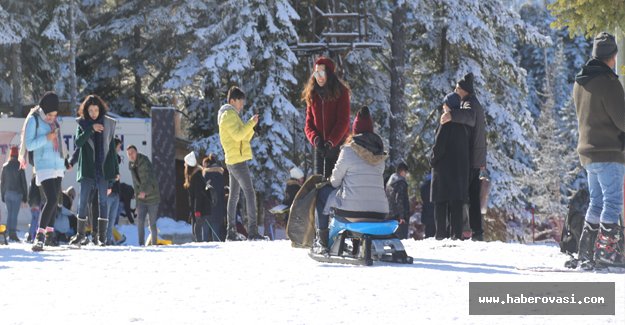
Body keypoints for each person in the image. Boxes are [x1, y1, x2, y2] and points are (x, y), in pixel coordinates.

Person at [573, 32, 625, 269]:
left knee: (596, 202)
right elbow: (622, 119)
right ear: (612, 56)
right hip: (608, 150)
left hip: (587, 152)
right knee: (612, 202)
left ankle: (586, 251)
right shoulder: (609, 82)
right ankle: (606, 251)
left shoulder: (580, 81)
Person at [313, 106, 389, 255]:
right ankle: (355, 244)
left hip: (353, 213)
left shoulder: (347, 150)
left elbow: (335, 181)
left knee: (322, 193)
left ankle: (322, 240)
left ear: (355, 130)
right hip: (379, 213)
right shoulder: (380, 155)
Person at [440, 72, 487, 241]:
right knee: (473, 196)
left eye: (457, 88)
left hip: (471, 158)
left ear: (464, 90)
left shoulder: (470, 104)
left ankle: (457, 231)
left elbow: (469, 117)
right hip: (476, 158)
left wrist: (451, 116)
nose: (455, 91)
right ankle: (477, 232)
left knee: (461, 194)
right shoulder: (474, 103)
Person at [20, 91, 68, 251]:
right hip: (43, 165)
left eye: (54, 115)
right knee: (52, 199)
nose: (51, 118)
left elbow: (60, 143)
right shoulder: (34, 120)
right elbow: (30, 144)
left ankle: (50, 236)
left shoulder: (55, 123)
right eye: (49, 114)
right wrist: (47, 138)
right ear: (43, 110)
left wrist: (65, 160)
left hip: (57, 165)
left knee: (56, 203)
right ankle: (39, 237)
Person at [68, 95, 118, 247]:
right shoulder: (82, 124)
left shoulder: (108, 124)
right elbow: (78, 142)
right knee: (82, 202)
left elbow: (111, 150)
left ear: (100, 109)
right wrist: (91, 128)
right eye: (90, 110)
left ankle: (101, 237)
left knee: (103, 202)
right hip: (87, 170)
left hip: (103, 170)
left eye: (96, 110)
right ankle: (80, 235)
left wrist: (115, 171)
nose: (93, 113)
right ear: (86, 110)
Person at [217, 86, 265, 241]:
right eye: (240, 101)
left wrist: (253, 128)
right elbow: (238, 135)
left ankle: (231, 233)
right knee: (250, 194)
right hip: (237, 161)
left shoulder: (231, 115)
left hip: (234, 159)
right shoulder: (228, 115)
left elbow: (243, 137)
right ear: (232, 101)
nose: (242, 105)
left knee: (234, 196)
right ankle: (252, 232)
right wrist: (250, 123)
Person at [431, 92, 472, 240]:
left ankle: (441, 235)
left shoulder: (445, 123)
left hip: (443, 172)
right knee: (456, 204)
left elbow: (438, 147)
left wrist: (432, 161)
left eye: (444, 104)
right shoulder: (463, 126)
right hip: (459, 172)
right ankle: (456, 234)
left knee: (440, 204)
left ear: (448, 106)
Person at [302, 56, 351, 177]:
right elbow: (308, 124)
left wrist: (331, 142)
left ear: (329, 73)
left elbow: (343, 121)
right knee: (319, 182)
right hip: (320, 147)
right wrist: (316, 140)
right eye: (316, 73)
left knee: (335, 182)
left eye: (321, 72)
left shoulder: (341, 92)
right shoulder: (312, 94)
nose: (319, 76)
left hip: (338, 145)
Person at [126, 145, 160, 246]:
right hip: (141, 199)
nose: (131, 155)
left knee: (152, 223)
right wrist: (137, 204)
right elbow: (136, 186)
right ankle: (141, 245)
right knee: (140, 222)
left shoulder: (144, 162)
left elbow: (149, 179)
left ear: (136, 152)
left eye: (132, 152)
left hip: (152, 197)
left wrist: (145, 191)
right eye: (129, 154)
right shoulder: (131, 165)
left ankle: (154, 245)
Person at [1, 146, 28, 242]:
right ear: (17, 155)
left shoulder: (5, 166)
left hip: (7, 193)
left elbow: (2, 182)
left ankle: (7, 233)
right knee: (14, 214)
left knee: (9, 214)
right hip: (17, 193)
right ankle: (12, 233)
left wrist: (2, 195)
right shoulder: (19, 166)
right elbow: (23, 182)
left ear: (11, 154)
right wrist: (25, 196)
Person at [184, 151, 211, 242]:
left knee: (197, 232)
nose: (184, 165)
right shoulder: (195, 176)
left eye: (185, 164)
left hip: (201, 210)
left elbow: (198, 196)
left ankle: (200, 248)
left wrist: (197, 211)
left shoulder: (196, 177)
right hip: (199, 209)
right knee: (196, 231)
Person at [202, 154, 226, 241]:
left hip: (206, 209)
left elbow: (203, 193)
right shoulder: (220, 176)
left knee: (205, 235)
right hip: (218, 208)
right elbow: (222, 194)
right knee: (216, 235)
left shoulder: (205, 176)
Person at [386, 162, 410, 239]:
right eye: (406, 172)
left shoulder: (390, 182)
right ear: (402, 171)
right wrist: (402, 216)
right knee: (401, 241)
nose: (406, 175)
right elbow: (400, 199)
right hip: (399, 217)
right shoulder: (401, 182)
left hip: (390, 214)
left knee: (392, 240)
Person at [105, 138, 122, 245]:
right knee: (106, 218)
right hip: (109, 191)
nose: (120, 148)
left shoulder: (116, 158)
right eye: (119, 146)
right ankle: (104, 239)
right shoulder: (109, 157)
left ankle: (109, 239)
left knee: (112, 219)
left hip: (116, 192)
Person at [419, 173, 435, 238]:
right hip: (435, 212)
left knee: (428, 233)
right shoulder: (437, 184)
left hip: (427, 212)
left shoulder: (423, 186)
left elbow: (422, 198)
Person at [26, 173, 41, 243]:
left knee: (34, 219)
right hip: (37, 202)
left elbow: (30, 191)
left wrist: (30, 202)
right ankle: (32, 236)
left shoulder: (32, 180)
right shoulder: (39, 179)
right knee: (35, 220)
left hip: (32, 202)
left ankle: (31, 235)